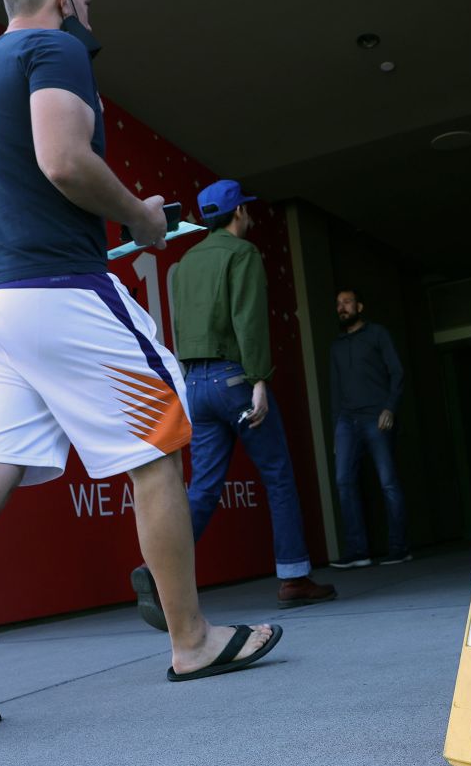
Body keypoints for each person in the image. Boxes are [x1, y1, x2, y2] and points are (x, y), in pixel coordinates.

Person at [0, 0, 280, 747]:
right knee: (162, 442)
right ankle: (191, 640)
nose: (91, 13)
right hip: (56, 295)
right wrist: (141, 215)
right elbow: (62, 160)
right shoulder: (52, 47)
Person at [131, 180, 336, 628]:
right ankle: (295, 578)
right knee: (278, 476)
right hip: (236, 380)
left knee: (202, 487)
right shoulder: (242, 254)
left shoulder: (184, 264)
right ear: (238, 213)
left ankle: (157, 572)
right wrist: (260, 379)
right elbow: (248, 320)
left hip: (196, 385)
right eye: (247, 209)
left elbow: (182, 331)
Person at [327, 289, 411, 568]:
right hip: (346, 421)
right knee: (343, 482)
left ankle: (400, 548)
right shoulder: (336, 346)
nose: (342, 307)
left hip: (376, 416)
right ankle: (358, 552)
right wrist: (336, 429)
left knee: (387, 482)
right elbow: (335, 391)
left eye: (347, 302)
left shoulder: (377, 334)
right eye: (339, 304)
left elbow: (397, 372)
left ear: (360, 306)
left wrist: (390, 407)